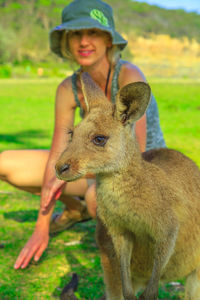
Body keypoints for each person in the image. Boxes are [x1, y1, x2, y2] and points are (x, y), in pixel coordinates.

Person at [0, 0, 166, 269]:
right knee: (7, 163)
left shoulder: (128, 75)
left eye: (92, 32)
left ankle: (138, 255)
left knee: (93, 197)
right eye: (76, 33)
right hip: (97, 167)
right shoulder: (69, 87)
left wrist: (69, 170)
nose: (83, 41)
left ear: (108, 40)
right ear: (67, 40)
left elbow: (135, 157)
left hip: (143, 172)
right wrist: (41, 225)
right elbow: (58, 152)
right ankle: (75, 210)